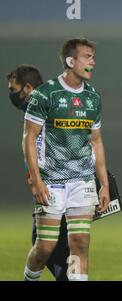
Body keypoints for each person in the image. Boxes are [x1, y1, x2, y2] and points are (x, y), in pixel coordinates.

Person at [22, 38, 110, 281]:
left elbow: (96, 141)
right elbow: (29, 138)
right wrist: (36, 181)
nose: (92, 62)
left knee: (80, 243)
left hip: (81, 181)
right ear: (71, 61)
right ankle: (30, 277)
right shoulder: (45, 94)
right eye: (87, 57)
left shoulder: (93, 98)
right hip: (51, 182)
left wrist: (104, 183)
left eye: (93, 57)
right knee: (45, 248)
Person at [6, 65, 70, 281]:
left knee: (48, 248)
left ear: (28, 88)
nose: (12, 95)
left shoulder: (50, 106)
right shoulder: (35, 110)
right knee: (46, 247)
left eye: (13, 89)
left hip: (61, 186)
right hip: (49, 188)